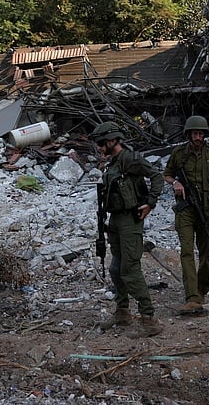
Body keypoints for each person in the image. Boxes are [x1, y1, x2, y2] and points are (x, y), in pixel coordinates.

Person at [90, 121, 165, 337]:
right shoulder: (113, 162)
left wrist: (150, 203)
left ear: (113, 140)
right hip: (115, 219)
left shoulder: (129, 159)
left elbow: (156, 176)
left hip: (130, 219)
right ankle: (122, 312)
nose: (100, 148)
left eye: (102, 143)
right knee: (115, 269)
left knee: (130, 270)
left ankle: (149, 319)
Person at [163, 115, 209, 315]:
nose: (198, 137)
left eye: (201, 134)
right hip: (186, 209)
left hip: (207, 209)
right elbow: (167, 174)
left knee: (206, 252)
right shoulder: (179, 154)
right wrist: (176, 183)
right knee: (187, 251)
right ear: (188, 134)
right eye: (195, 134)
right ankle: (192, 296)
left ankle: (202, 288)